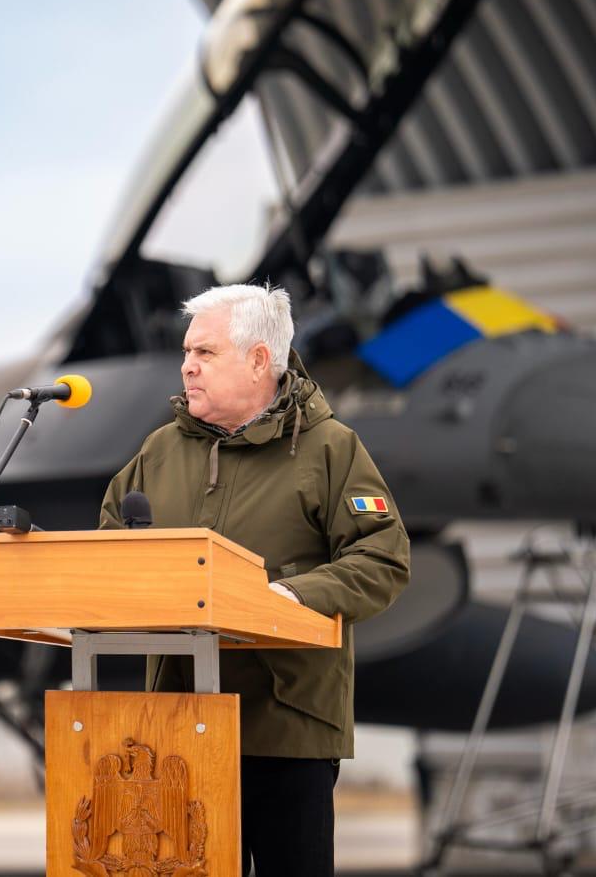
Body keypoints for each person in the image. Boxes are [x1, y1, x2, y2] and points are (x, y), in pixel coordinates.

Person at [99, 283, 410, 877]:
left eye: (206, 353)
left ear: (259, 359)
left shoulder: (331, 450)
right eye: (187, 352)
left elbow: (383, 556)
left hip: (285, 730)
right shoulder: (158, 452)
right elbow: (111, 551)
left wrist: (290, 595)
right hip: (175, 729)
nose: (187, 366)